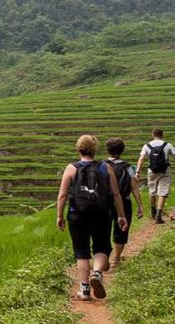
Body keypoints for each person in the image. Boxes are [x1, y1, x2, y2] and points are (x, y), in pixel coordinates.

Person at [57, 135, 128, 301]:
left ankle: (85, 289)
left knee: (81, 251)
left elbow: (62, 194)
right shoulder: (106, 167)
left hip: (77, 214)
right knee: (102, 247)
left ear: (78, 148)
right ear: (95, 150)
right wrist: (121, 215)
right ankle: (97, 272)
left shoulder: (71, 168)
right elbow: (116, 193)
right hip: (102, 213)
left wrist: (60, 216)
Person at [104, 138, 145, 269]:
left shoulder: (101, 165)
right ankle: (116, 259)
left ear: (107, 150)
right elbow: (134, 187)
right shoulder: (128, 167)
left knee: (103, 230)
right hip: (124, 201)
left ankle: (103, 258)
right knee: (121, 230)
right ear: (122, 150)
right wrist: (140, 205)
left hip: (104, 203)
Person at [135, 129, 175, 224]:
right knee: (163, 192)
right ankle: (158, 215)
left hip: (151, 170)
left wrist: (137, 171)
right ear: (162, 135)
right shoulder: (168, 145)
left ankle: (153, 212)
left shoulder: (147, 145)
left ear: (153, 134)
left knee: (152, 191)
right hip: (165, 171)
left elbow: (141, 159)